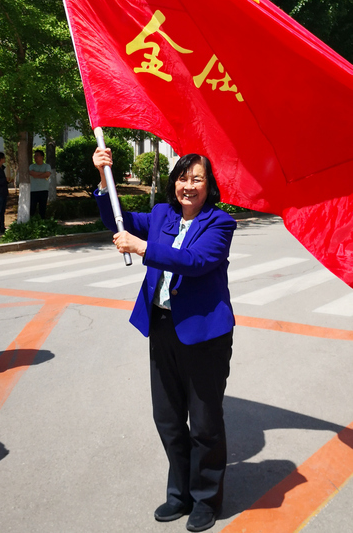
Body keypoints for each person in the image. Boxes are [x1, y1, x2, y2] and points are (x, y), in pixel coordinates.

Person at [93, 147, 236, 533]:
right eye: (182, 178)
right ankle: (180, 493)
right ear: (174, 182)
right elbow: (117, 219)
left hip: (204, 336)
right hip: (162, 327)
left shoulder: (220, 223)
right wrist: (104, 178)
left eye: (197, 179)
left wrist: (142, 247)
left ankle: (207, 498)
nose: (188, 185)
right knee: (168, 418)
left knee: (204, 423)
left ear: (209, 185)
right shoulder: (161, 215)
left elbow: (196, 261)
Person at [29, 149, 51, 219]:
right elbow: (31, 173)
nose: (35, 157)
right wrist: (42, 174)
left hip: (44, 190)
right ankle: (32, 221)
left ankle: (42, 221)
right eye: (34, 155)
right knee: (32, 208)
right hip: (33, 190)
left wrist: (36, 175)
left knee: (42, 208)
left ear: (42, 157)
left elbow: (47, 174)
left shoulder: (47, 166)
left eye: (37, 155)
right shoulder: (32, 166)